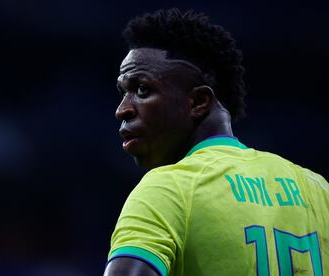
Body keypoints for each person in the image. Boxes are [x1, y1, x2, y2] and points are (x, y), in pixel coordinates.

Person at [103, 8, 329, 276]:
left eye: (142, 89)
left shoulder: (169, 189)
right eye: (122, 92)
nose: (122, 109)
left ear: (199, 102)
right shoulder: (317, 188)